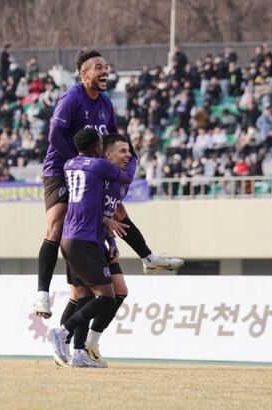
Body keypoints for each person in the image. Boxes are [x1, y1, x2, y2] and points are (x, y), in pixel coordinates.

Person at [34, 50, 183, 319]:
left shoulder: (105, 102)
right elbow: (55, 136)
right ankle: (42, 295)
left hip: (92, 169)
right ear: (84, 74)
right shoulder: (71, 98)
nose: (105, 71)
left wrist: (125, 155)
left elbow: (113, 136)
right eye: (98, 67)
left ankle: (148, 258)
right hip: (61, 168)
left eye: (106, 66)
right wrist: (78, 163)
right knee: (56, 224)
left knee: (116, 210)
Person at [46, 128, 136, 368]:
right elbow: (126, 178)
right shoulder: (99, 166)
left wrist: (110, 238)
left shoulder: (70, 164)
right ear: (99, 147)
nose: (126, 155)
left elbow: (94, 205)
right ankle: (62, 332)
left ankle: (79, 352)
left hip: (74, 237)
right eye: (122, 151)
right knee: (106, 298)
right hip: (84, 240)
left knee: (86, 297)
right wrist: (134, 157)